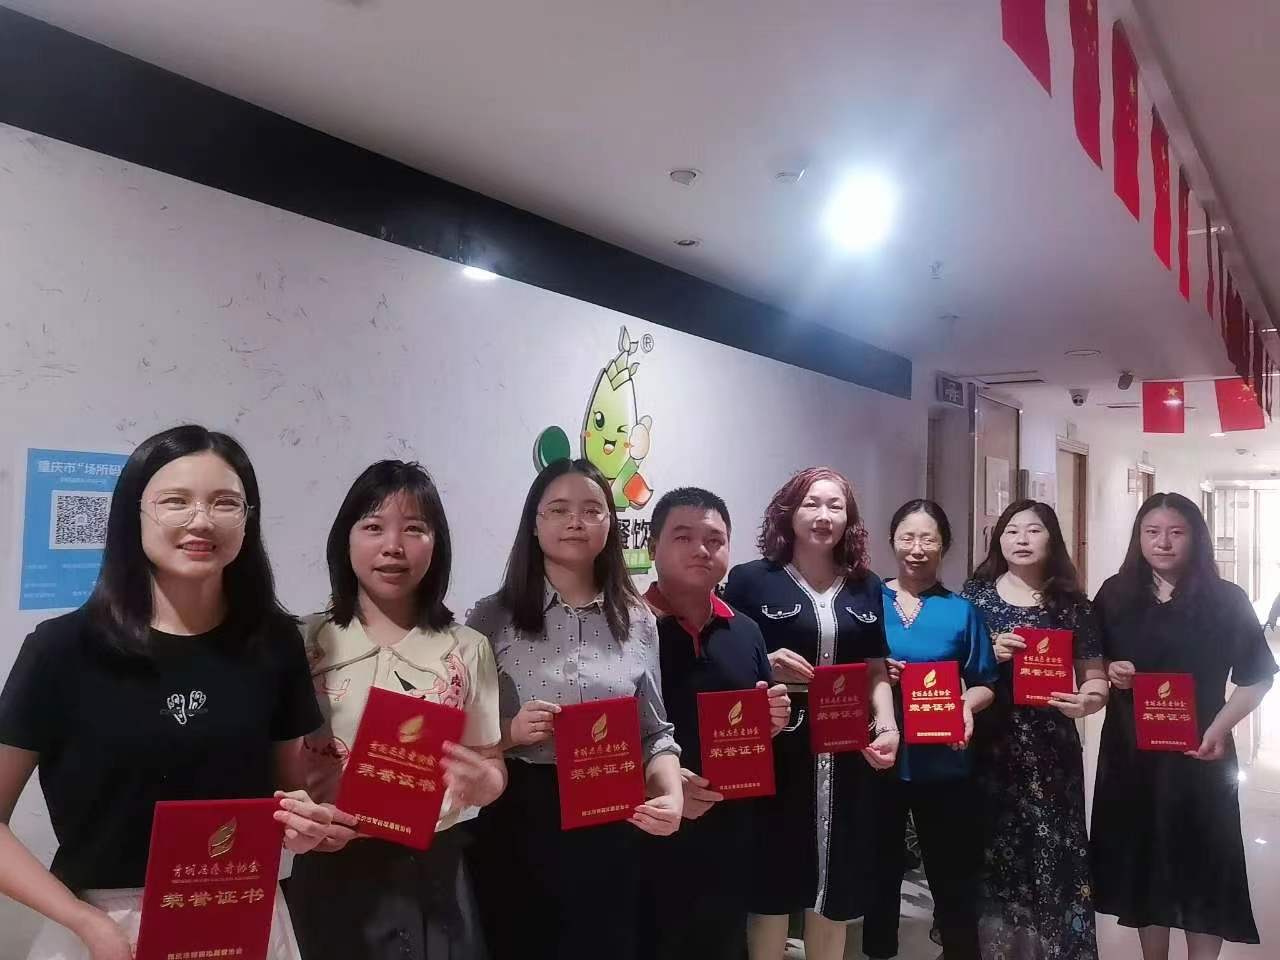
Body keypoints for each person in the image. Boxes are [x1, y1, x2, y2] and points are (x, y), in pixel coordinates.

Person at [0, 425, 355, 960]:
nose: (201, 520)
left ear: (248, 519)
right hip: (106, 929)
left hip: (240, 914)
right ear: (134, 514)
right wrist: (85, 922)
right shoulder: (62, 649)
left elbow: (286, 795)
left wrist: (304, 825)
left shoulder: (275, 643)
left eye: (224, 503)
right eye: (176, 501)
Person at [286, 460, 506, 959]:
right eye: (373, 527)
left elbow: (491, 763)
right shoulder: (302, 643)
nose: (393, 546)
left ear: (436, 544)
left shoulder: (466, 649)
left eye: (413, 529)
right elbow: (274, 763)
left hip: (431, 872)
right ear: (345, 541)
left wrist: (484, 783)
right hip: (327, 867)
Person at [465, 458, 683, 960]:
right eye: (559, 509)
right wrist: (511, 732)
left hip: (612, 817)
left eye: (591, 510)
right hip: (519, 814)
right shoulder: (492, 617)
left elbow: (655, 733)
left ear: (610, 522)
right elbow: (459, 734)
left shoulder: (638, 619)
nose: (575, 522)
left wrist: (670, 795)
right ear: (534, 523)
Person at [723, 467, 899, 960]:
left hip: (845, 751)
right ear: (789, 512)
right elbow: (724, 659)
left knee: (834, 887)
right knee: (771, 884)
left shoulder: (865, 586)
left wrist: (887, 725)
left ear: (849, 519)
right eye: (812, 504)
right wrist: (766, 662)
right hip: (778, 746)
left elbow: (875, 667)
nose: (824, 516)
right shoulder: (751, 580)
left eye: (835, 506)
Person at [1091, 493, 1276, 960]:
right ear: (1138, 538)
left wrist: (1219, 729)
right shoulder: (1115, 594)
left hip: (1202, 753)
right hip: (1132, 754)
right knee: (1145, 864)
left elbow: (1258, 677)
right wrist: (1111, 670)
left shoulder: (1225, 599)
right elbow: (1091, 661)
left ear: (1196, 537)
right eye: (1152, 532)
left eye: (1176, 532)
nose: (1163, 542)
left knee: (1205, 867)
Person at [638, 487, 791, 960]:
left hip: (731, 834)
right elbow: (603, 735)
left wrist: (774, 720)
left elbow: (757, 719)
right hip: (648, 836)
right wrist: (660, 782)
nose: (701, 550)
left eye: (714, 539)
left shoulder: (745, 630)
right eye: (683, 537)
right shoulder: (624, 627)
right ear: (652, 546)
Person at [963, 500, 1108, 960]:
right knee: (991, 849)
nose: (1021, 539)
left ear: (1052, 540)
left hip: (1051, 748)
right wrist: (988, 652)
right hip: (988, 743)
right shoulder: (974, 598)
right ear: (998, 540)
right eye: (1011, 531)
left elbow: (1095, 677)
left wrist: (1088, 701)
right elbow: (950, 669)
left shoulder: (1072, 605)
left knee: (1052, 850)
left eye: (1033, 530)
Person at [863, 499, 997, 960]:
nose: (917, 548)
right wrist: (874, 670)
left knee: (952, 876)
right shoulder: (866, 602)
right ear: (892, 541)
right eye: (907, 537)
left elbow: (985, 682)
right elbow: (838, 670)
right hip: (876, 759)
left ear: (944, 546)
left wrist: (965, 705)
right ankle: (878, 952)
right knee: (879, 874)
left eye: (928, 539)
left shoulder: (961, 612)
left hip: (944, 763)